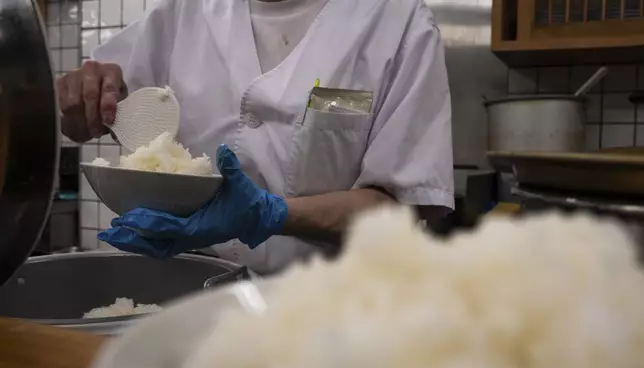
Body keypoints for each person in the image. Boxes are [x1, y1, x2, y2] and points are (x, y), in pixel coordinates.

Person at [58, 0, 454, 274]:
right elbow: (98, 112)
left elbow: (405, 207)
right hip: (189, 294)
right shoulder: (182, 13)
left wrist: (273, 214)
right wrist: (85, 103)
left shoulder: (396, 22)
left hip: (330, 311)